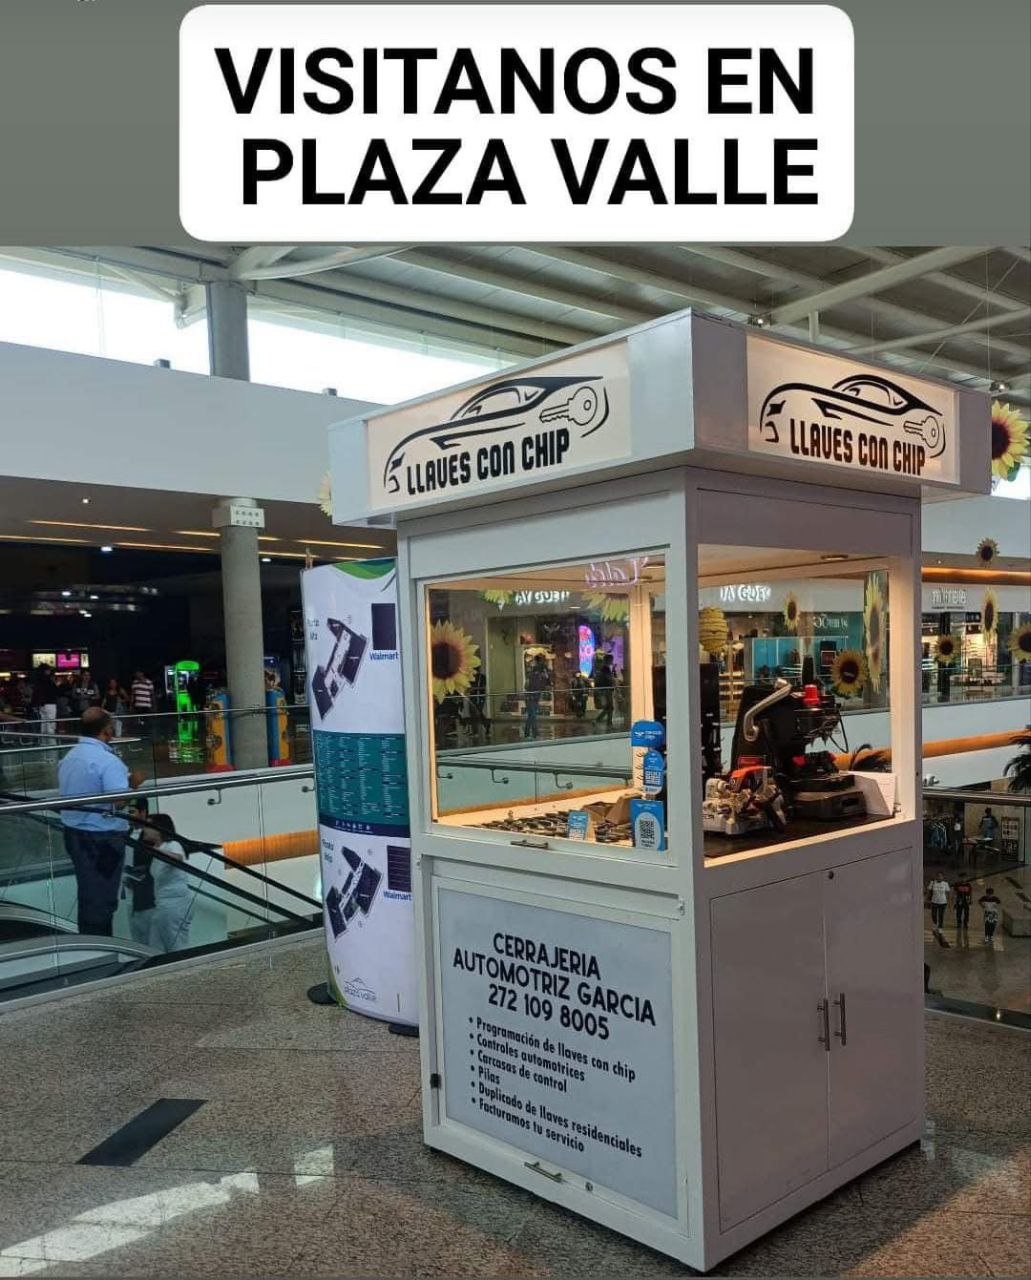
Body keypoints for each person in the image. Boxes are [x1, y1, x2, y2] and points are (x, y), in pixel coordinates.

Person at [58, 707, 145, 935]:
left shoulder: (70, 756)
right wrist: (133, 785)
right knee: (102, 899)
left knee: (89, 893)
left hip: (73, 832)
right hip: (102, 839)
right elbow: (119, 802)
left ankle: (90, 941)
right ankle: (99, 944)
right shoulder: (108, 761)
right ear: (107, 730)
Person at [142, 812, 193, 953]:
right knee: (155, 945)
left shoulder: (172, 844)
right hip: (162, 903)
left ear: (158, 829)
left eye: (147, 826)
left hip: (175, 902)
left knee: (175, 944)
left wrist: (156, 851)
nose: (144, 829)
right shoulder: (159, 848)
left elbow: (178, 858)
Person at [524, 653, 551, 740]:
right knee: (532, 716)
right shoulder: (534, 676)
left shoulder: (539, 676)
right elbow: (529, 686)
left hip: (534, 697)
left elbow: (544, 685)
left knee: (531, 716)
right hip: (530, 697)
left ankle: (528, 734)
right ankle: (534, 734)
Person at [32, 663, 59, 743]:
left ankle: (43, 743)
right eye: (49, 670)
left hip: (42, 705)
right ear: (46, 671)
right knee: (51, 724)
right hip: (50, 704)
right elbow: (55, 691)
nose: (50, 671)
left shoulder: (38, 680)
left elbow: (36, 693)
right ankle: (52, 743)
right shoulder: (49, 680)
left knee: (43, 724)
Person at [593, 653, 615, 729]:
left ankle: (599, 721)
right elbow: (607, 680)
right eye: (611, 660)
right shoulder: (604, 670)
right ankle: (607, 723)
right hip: (606, 691)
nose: (612, 661)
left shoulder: (606, 669)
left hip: (607, 690)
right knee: (609, 707)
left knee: (609, 708)